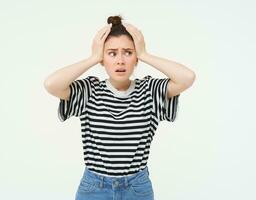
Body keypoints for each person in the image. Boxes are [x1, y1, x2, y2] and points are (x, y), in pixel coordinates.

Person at [44, 15, 195, 200]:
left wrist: (145, 54)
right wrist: (92, 58)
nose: (120, 60)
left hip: (136, 188)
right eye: (112, 53)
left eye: (128, 52)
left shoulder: (149, 90)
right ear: (103, 58)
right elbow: (52, 84)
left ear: (136, 58)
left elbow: (187, 78)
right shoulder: (89, 90)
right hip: (94, 188)